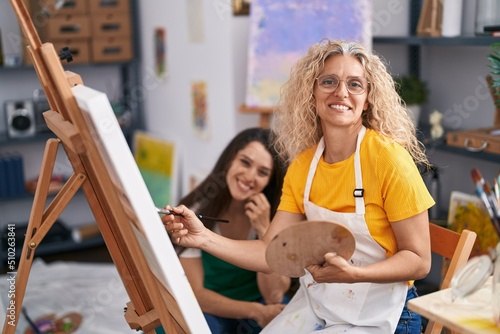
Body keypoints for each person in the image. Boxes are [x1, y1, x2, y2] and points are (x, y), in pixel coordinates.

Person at [162, 39, 435, 333]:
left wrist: (355, 274)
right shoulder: (304, 165)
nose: (341, 92)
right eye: (328, 81)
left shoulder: (389, 160)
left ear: (367, 99)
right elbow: (269, 252)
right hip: (321, 304)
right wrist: (202, 238)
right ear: (312, 92)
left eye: (355, 84)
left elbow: (419, 261)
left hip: (387, 316)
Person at [171, 127, 291, 334]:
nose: (250, 176)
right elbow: (196, 294)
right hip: (212, 306)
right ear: (230, 160)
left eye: (262, 172)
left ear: (269, 182)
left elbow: (274, 296)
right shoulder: (197, 211)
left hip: (259, 301)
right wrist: (255, 311)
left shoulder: (276, 217)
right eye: (245, 162)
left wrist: (264, 230)